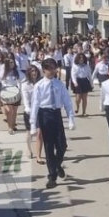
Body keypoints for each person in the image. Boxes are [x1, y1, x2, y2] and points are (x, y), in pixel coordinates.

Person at [30, 58, 76, 189]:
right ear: (44, 70)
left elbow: (67, 101)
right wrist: (33, 124)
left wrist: (71, 118)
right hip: (44, 115)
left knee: (62, 145)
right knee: (49, 147)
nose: (53, 70)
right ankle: (52, 176)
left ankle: (57, 165)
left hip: (56, 114)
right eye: (50, 68)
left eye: (54, 68)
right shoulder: (39, 86)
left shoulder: (59, 84)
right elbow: (35, 105)